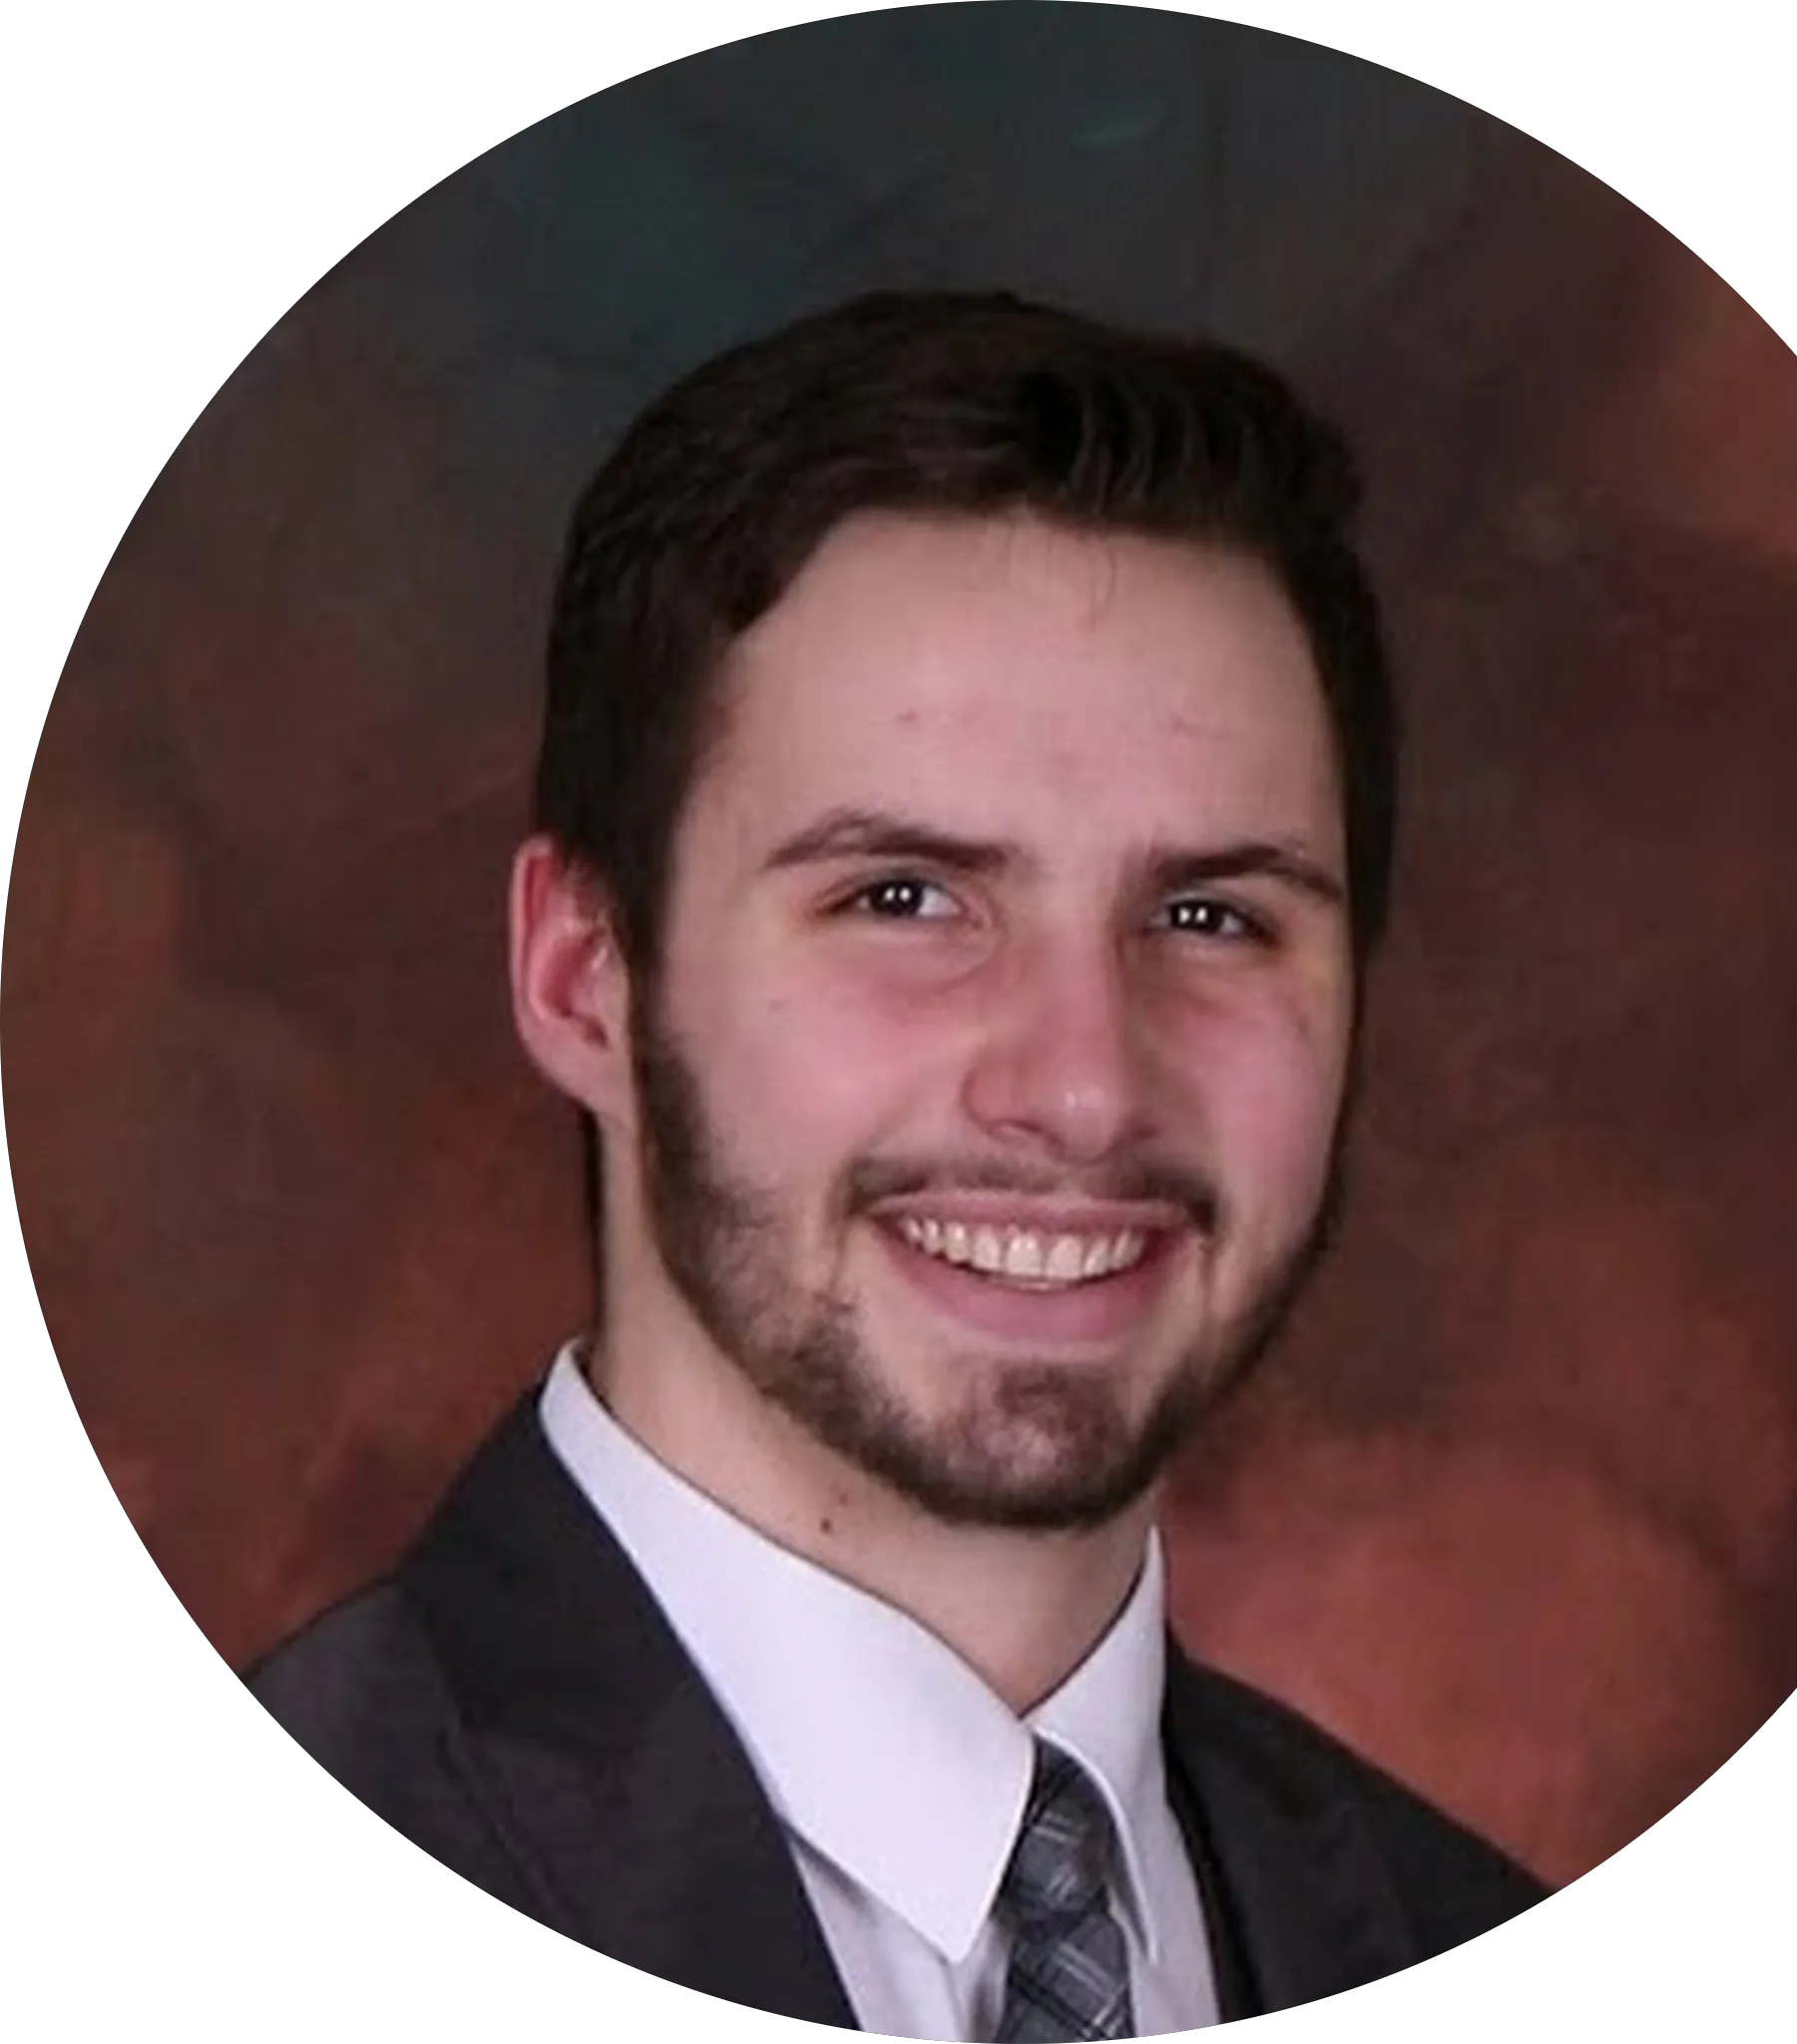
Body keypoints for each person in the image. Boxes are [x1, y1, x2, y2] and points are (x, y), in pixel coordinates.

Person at [246, 290, 1546, 2033]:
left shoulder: (1445, 1909)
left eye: (1211, 916)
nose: (1083, 1090)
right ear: (583, 978)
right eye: (905, 898)